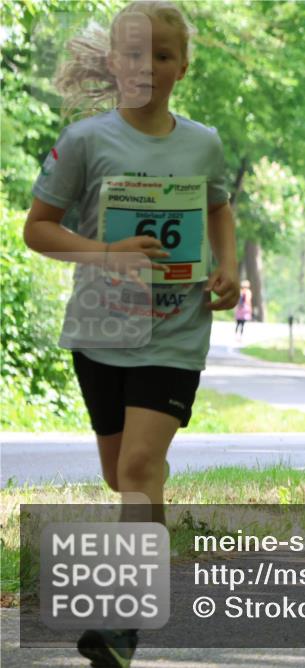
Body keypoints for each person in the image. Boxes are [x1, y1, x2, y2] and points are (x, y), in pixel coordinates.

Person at [22, 2, 237, 665]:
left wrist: (228, 269)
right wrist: (107, 254)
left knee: (140, 467)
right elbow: (39, 229)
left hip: (175, 329)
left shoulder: (203, 142)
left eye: (162, 56)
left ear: (183, 66)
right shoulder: (86, 141)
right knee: (124, 474)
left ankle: (125, 618)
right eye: (135, 55)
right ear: (114, 62)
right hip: (101, 330)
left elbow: (218, 208)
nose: (148, 67)